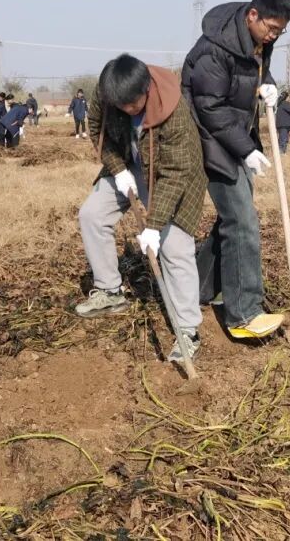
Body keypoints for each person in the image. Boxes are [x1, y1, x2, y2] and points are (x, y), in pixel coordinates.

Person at [181, 0, 290, 339]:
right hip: (209, 142)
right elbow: (209, 107)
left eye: (280, 30)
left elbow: (256, 78)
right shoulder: (212, 51)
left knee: (231, 222)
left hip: (235, 139)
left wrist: (270, 88)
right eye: (271, 28)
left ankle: (200, 290)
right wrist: (246, 149)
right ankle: (244, 314)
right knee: (243, 222)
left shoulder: (259, 41)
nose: (274, 36)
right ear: (253, 15)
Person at [77, 55, 207, 365]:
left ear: (147, 88)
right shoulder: (108, 93)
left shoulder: (174, 109)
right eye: (121, 106)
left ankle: (188, 329)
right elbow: (98, 131)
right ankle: (110, 291)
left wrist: (153, 225)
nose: (127, 110)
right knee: (92, 214)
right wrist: (118, 168)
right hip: (128, 168)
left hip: (169, 175)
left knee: (174, 245)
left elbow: (177, 172)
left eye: (133, 105)